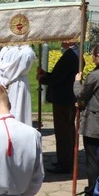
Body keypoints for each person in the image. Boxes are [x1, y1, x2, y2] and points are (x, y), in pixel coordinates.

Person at [37, 41, 79, 174]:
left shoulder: (70, 55)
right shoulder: (74, 54)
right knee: (68, 130)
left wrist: (43, 79)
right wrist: (46, 74)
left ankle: (65, 163)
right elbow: (60, 75)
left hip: (63, 99)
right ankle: (67, 159)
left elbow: (58, 78)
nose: (61, 42)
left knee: (63, 133)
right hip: (68, 98)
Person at [72, 44, 99, 196]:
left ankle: (92, 195)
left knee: (93, 161)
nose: (92, 59)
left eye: (93, 56)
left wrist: (77, 82)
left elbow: (81, 94)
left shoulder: (96, 75)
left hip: (96, 124)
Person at [0, 44, 36, 126]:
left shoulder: (27, 52)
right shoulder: (6, 48)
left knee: (16, 109)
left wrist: (4, 79)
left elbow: (15, 69)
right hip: (0, 82)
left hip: (15, 83)